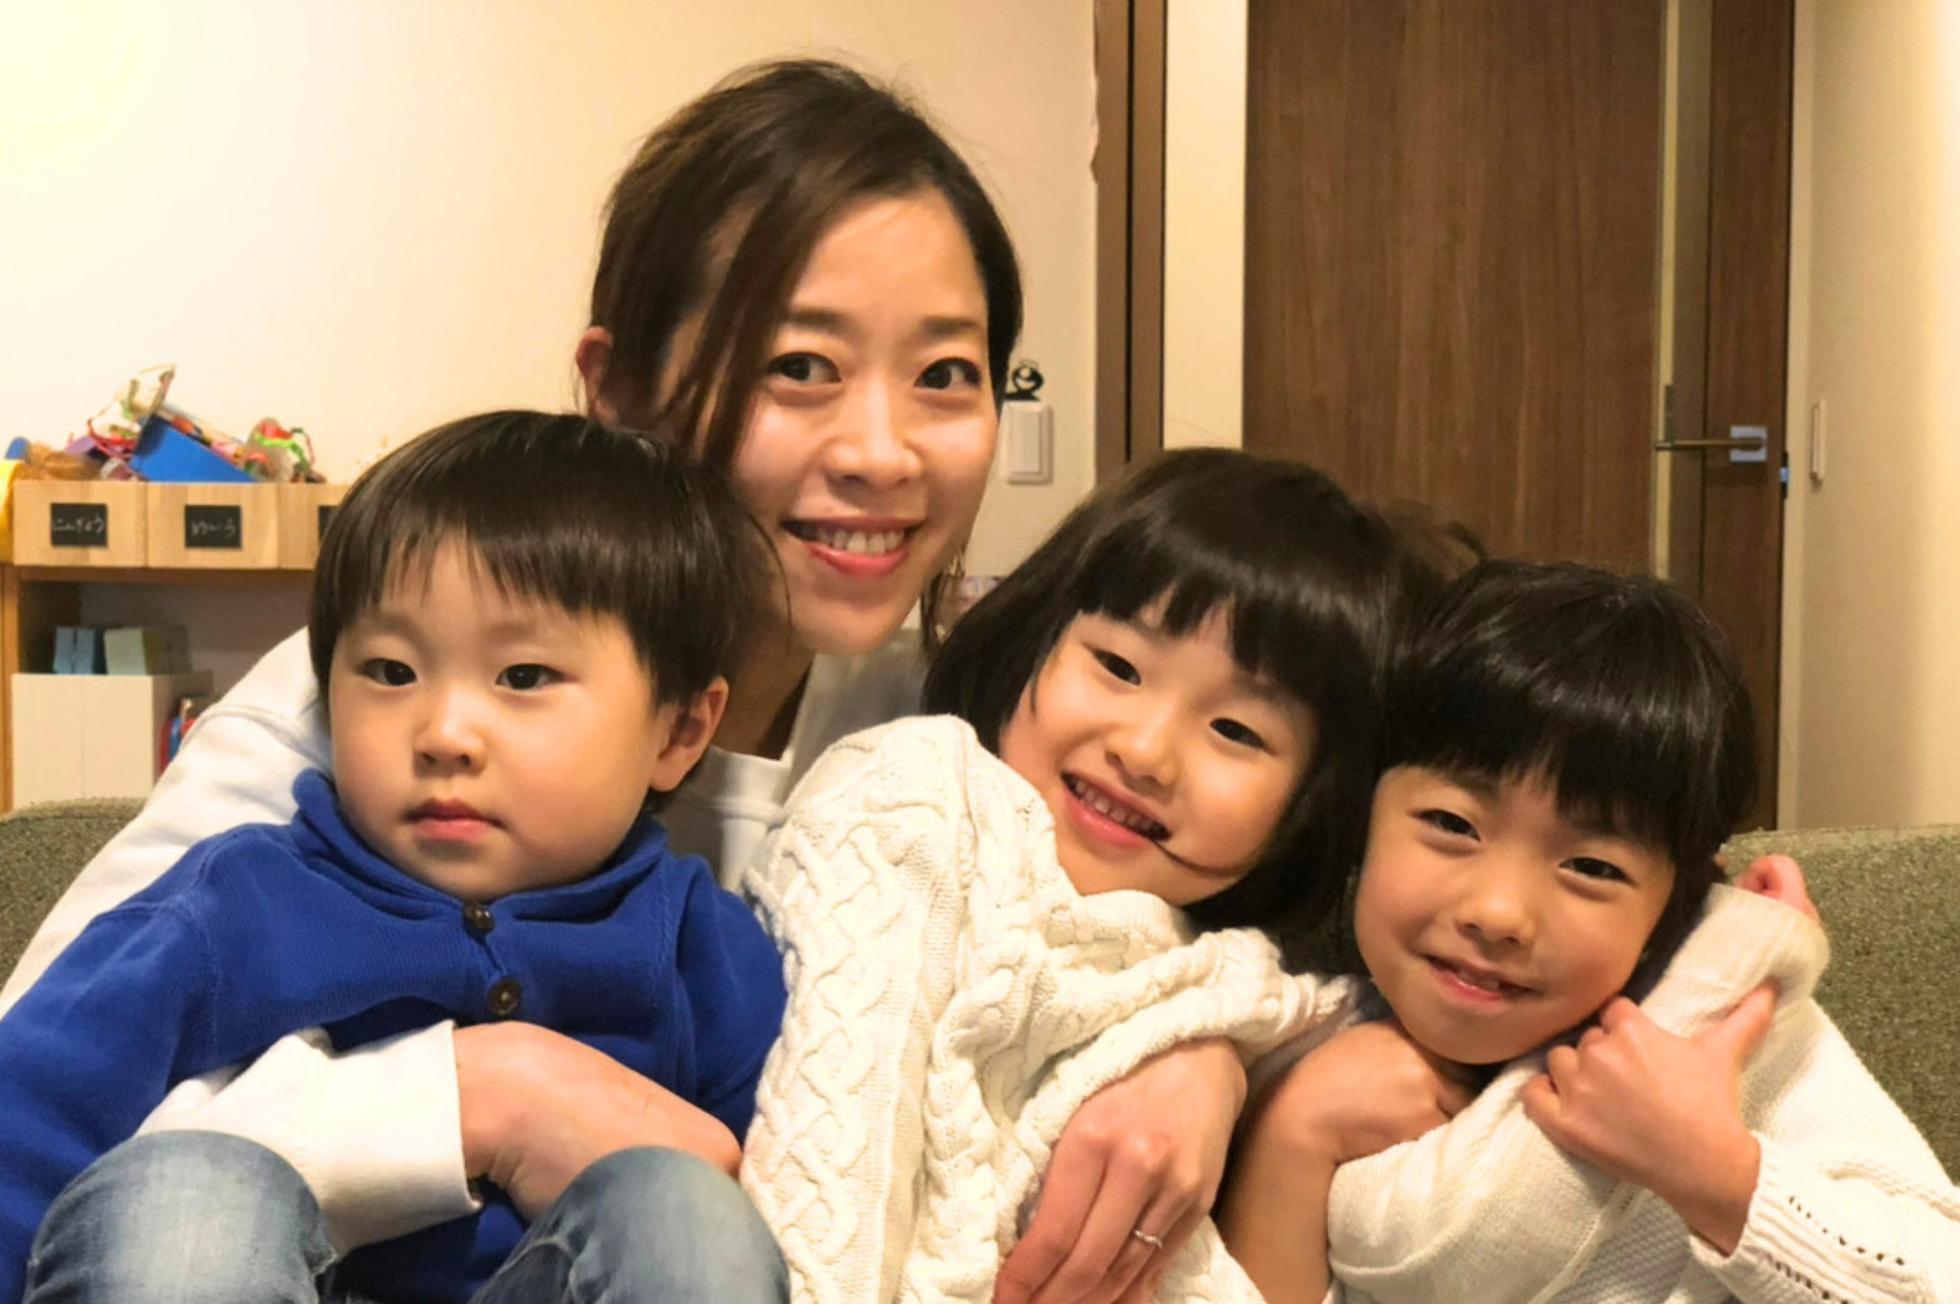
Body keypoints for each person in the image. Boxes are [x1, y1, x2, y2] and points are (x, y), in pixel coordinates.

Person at [0, 59, 1247, 1302]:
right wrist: (482, 1094)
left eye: (944, 374)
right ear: (616, 389)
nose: (882, 452)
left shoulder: (943, 745)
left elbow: (1176, 928)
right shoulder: (367, 712)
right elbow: (60, 1114)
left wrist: (1201, 1053)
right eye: (799, 365)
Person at [2, 412, 791, 1302]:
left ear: (679, 732)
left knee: (682, 1210)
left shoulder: (704, 948)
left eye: (523, 677)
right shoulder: (238, 901)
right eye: (389, 671)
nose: (444, 733)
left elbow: (798, 1210)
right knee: (187, 1195)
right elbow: (27, 1123)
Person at [739, 448, 1440, 1302]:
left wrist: (1216, 1058)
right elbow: (831, 1180)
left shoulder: (1227, 964)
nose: (1144, 751)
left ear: (1318, 804)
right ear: (1035, 639)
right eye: (1118, 667)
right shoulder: (921, 798)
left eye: (1237, 731)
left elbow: (1346, 1021)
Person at [1220, 561, 1960, 1303]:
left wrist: (1716, 1173)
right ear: (1360, 819)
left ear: (1674, 906)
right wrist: (1294, 1136)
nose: (1499, 912)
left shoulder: (1720, 1022)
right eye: (1452, 824)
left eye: (1591, 867)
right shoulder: (1284, 1027)